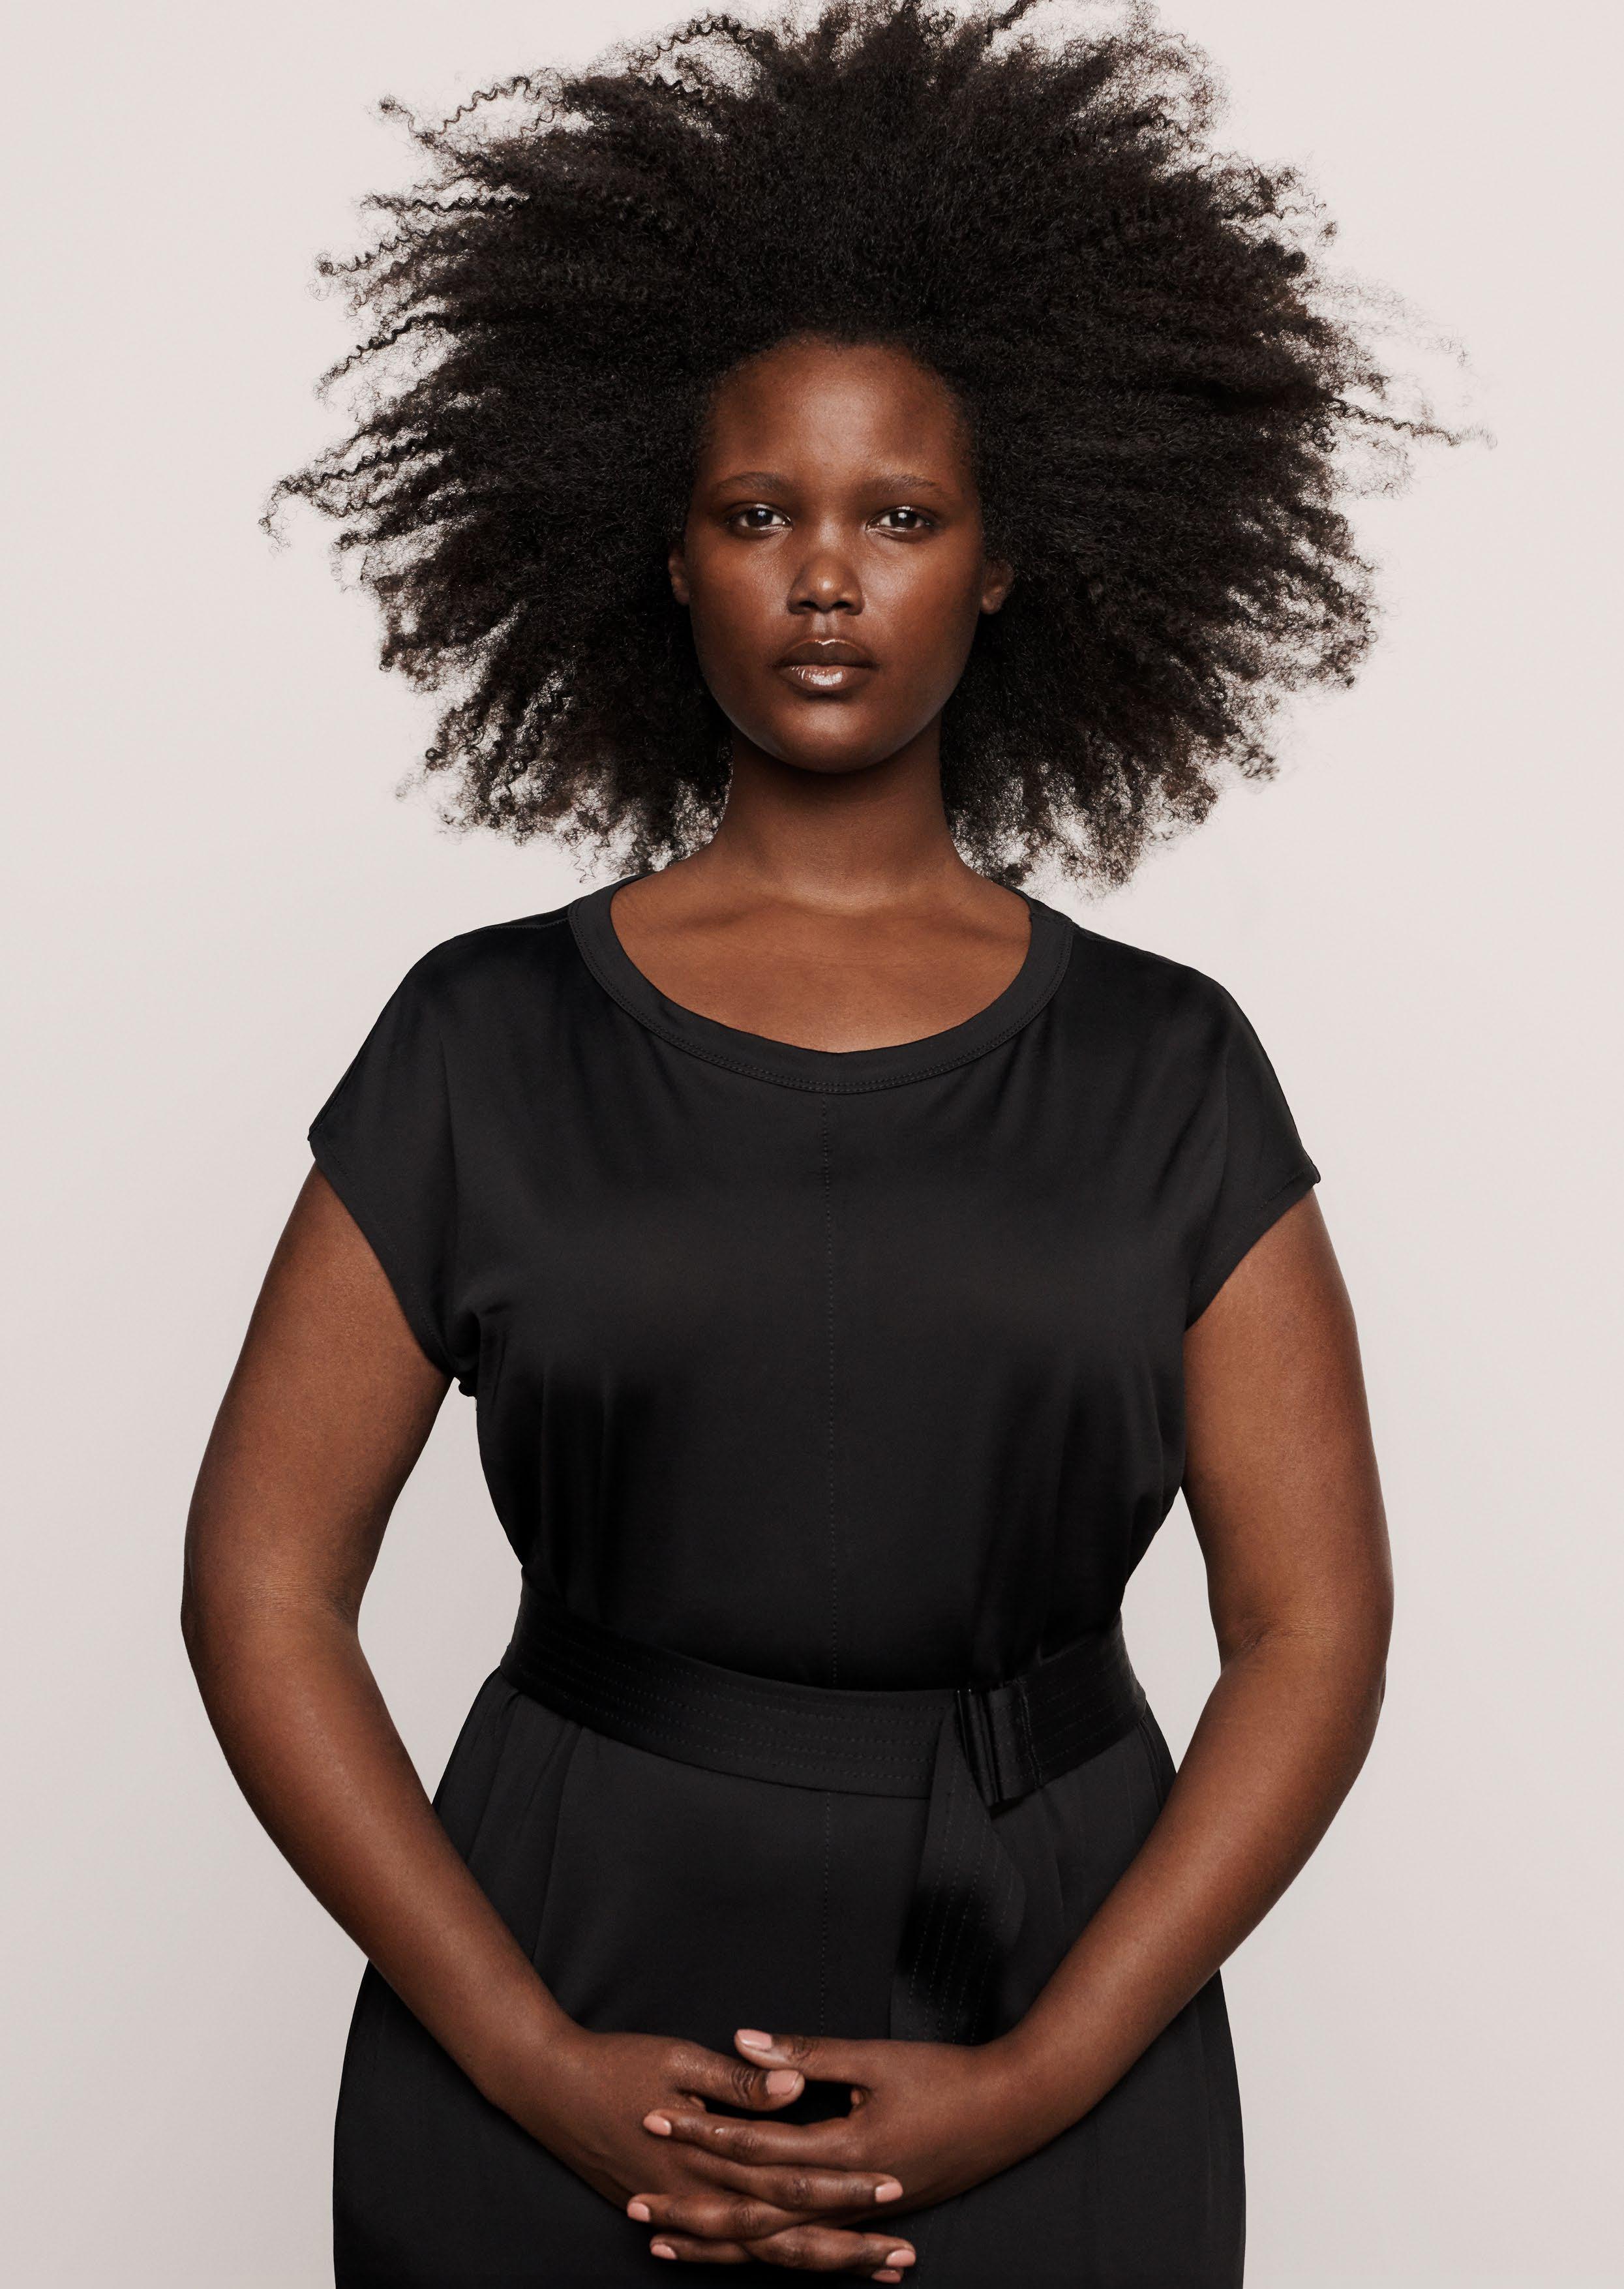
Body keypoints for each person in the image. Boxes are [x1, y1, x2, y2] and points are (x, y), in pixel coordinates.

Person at [183, 2, 1441, 2279]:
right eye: (757, 513)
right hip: (546, 1981)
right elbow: (260, 1587)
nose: (826, 576)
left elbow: (1308, 1629)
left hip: (1051, 1989)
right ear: (664, 555)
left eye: (900, 515)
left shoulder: (1169, 1068)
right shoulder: (482, 1038)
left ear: (1007, 558)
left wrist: (1043, 2077)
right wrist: (525, 2054)